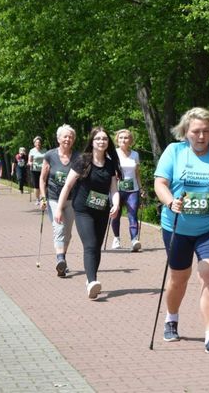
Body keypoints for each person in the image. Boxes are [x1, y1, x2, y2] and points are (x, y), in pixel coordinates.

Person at [154, 107, 209, 355]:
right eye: (195, 132)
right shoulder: (174, 151)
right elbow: (160, 183)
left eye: (206, 131)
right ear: (185, 132)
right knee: (179, 278)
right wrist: (170, 201)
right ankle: (171, 318)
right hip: (177, 226)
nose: (201, 137)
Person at [55, 127, 121, 299]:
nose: (101, 141)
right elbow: (68, 185)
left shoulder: (110, 164)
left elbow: (114, 189)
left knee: (97, 247)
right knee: (90, 245)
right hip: (83, 210)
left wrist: (116, 204)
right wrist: (59, 209)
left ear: (108, 142)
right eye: (98, 138)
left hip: (102, 210)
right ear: (92, 142)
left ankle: (91, 279)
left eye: (104, 139)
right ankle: (92, 281)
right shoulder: (83, 160)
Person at [40, 124, 78, 277]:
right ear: (58, 139)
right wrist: (43, 197)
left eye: (71, 137)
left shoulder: (77, 157)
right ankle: (60, 258)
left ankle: (62, 262)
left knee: (67, 233)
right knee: (59, 228)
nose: (68, 139)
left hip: (72, 200)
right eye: (65, 136)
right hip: (54, 199)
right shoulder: (50, 155)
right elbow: (42, 179)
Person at [110, 129, 144, 252]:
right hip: (117, 189)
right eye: (121, 138)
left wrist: (141, 188)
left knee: (133, 215)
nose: (123, 140)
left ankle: (134, 240)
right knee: (116, 215)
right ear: (117, 140)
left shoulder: (135, 154)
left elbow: (137, 173)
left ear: (130, 140)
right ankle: (116, 238)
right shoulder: (113, 153)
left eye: (126, 138)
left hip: (132, 189)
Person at [28, 136, 47, 205]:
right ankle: (37, 199)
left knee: (44, 184)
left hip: (43, 170)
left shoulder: (45, 150)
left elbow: (47, 159)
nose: (38, 144)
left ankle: (43, 199)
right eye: (36, 142)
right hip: (34, 170)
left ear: (41, 143)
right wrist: (30, 163)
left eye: (39, 142)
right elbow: (29, 161)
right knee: (36, 186)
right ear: (34, 143)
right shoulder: (32, 151)